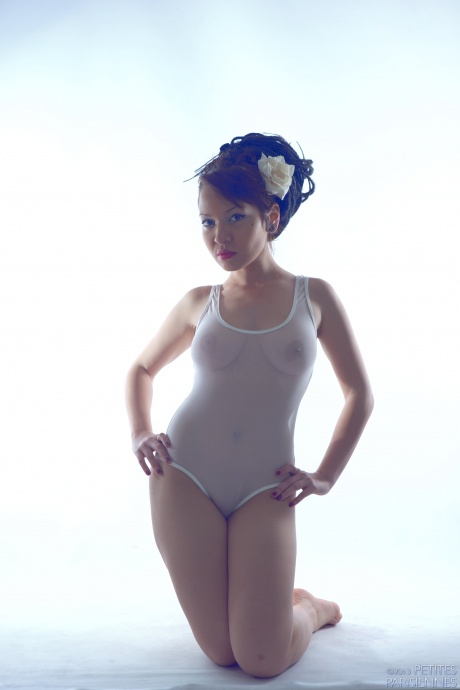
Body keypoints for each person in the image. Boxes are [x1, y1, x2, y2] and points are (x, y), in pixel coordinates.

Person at [125, 133, 374, 678]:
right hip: (183, 475)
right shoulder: (199, 302)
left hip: (267, 486)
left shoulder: (315, 297)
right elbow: (140, 369)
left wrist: (325, 476)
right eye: (207, 222)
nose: (220, 236)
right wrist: (141, 431)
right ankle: (275, 608)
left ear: (272, 216)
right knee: (222, 652)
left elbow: (359, 394)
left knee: (262, 659)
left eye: (235, 217)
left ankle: (310, 608)